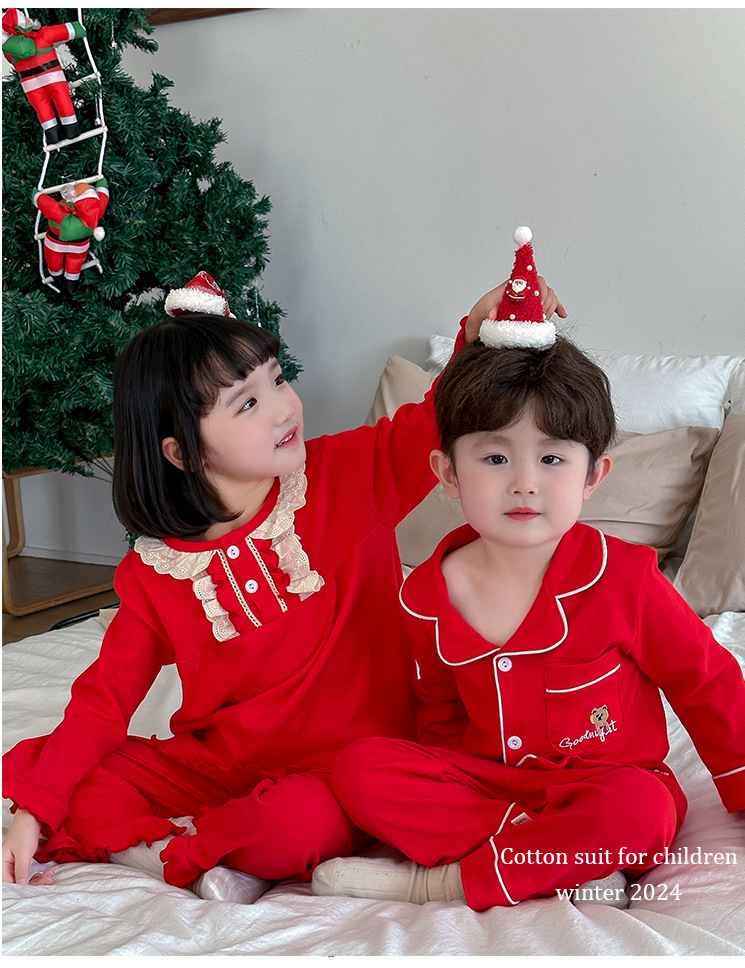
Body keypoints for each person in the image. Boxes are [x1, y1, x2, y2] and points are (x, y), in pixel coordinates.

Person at [2, 270, 566, 902]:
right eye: (247, 403)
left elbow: (436, 419)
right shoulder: (156, 572)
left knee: (292, 824)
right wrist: (35, 812)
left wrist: (479, 332)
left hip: (352, 767)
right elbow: (104, 701)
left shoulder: (348, 475)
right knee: (64, 779)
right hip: (223, 769)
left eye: (276, 379)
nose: (284, 407)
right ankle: (216, 848)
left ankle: (208, 852)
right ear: (182, 453)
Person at [312, 230, 745, 911]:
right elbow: (439, 718)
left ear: (594, 475)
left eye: (552, 459)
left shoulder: (626, 579)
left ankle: (446, 882)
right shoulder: (426, 594)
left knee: (640, 811)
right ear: (448, 474)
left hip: (606, 785)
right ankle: (557, 859)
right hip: (489, 788)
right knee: (362, 768)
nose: (524, 483)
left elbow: (708, 684)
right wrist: (440, 786)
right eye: (494, 459)